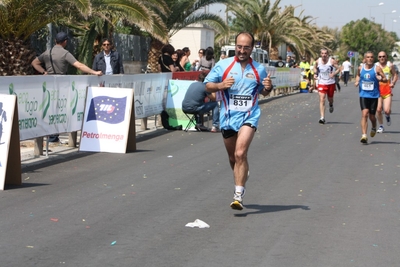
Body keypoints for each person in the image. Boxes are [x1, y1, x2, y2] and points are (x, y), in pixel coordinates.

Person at [204, 31, 273, 210]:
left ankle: (238, 195)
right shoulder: (223, 65)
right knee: (233, 157)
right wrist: (220, 85)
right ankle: (242, 173)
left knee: (241, 153)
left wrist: (268, 88)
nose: (242, 50)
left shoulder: (259, 69)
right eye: (239, 47)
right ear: (235, 46)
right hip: (228, 117)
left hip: (250, 116)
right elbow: (207, 85)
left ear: (252, 48)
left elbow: (263, 92)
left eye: (246, 47)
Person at [31, 32, 102, 142]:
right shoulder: (65, 53)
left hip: (49, 85)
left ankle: (50, 135)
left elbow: (34, 63)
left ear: (55, 41)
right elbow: (78, 65)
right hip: (61, 85)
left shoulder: (47, 52)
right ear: (65, 42)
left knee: (50, 109)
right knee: (60, 110)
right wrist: (94, 72)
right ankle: (54, 136)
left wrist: (44, 72)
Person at [354, 51, 388, 144]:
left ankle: (374, 126)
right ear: (365, 59)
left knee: (372, 116)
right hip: (363, 95)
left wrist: (381, 79)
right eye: (368, 57)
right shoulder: (361, 68)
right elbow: (358, 76)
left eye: (371, 57)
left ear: (374, 59)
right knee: (364, 114)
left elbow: (385, 79)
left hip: (374, 95)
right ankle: (364, 135)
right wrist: (357, 81)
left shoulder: (377, 69)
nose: (370, 59)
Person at [313, 48, 340, 124]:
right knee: (322, 99)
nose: (324, 55)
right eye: (322, 53)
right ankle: (322, 117)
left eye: (325, 53)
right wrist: (315, 74)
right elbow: (315, 68)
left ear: (327, 54)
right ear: (320, 54)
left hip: (330, 83)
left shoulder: (331, 61)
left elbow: (339, 69)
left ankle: (331, 104)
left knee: (330, 98)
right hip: (322, 82)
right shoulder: (318, 61)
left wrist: (334, 74)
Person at [375, 51, 398, 133]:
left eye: (383, 56)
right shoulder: (376, 66)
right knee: (378, 109)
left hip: (387, 91)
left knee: (387, 110)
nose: (382, 58)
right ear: (378, 58)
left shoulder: (390, 65)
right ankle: (381, 126)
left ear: (386, 57)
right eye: (380, 56)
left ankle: (387, 116)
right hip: (377, 91)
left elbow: (395, 75)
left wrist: (393, 83)